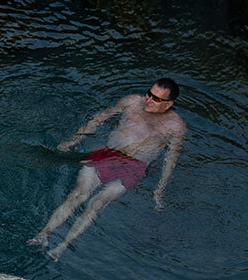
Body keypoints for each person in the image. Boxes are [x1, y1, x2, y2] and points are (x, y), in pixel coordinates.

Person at [29, 78, 187, 260]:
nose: (149, 100)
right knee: (78, 194)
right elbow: (100, 117)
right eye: (149, 94)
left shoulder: (176, 126)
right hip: (107, 155)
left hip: (134, 167)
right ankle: (43, 235)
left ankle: (61, 248)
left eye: (157, 99)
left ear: (169, 104)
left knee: (97, 203)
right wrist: (74, 140)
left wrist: (159, 190)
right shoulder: (132, 102)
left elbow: (170, 160)